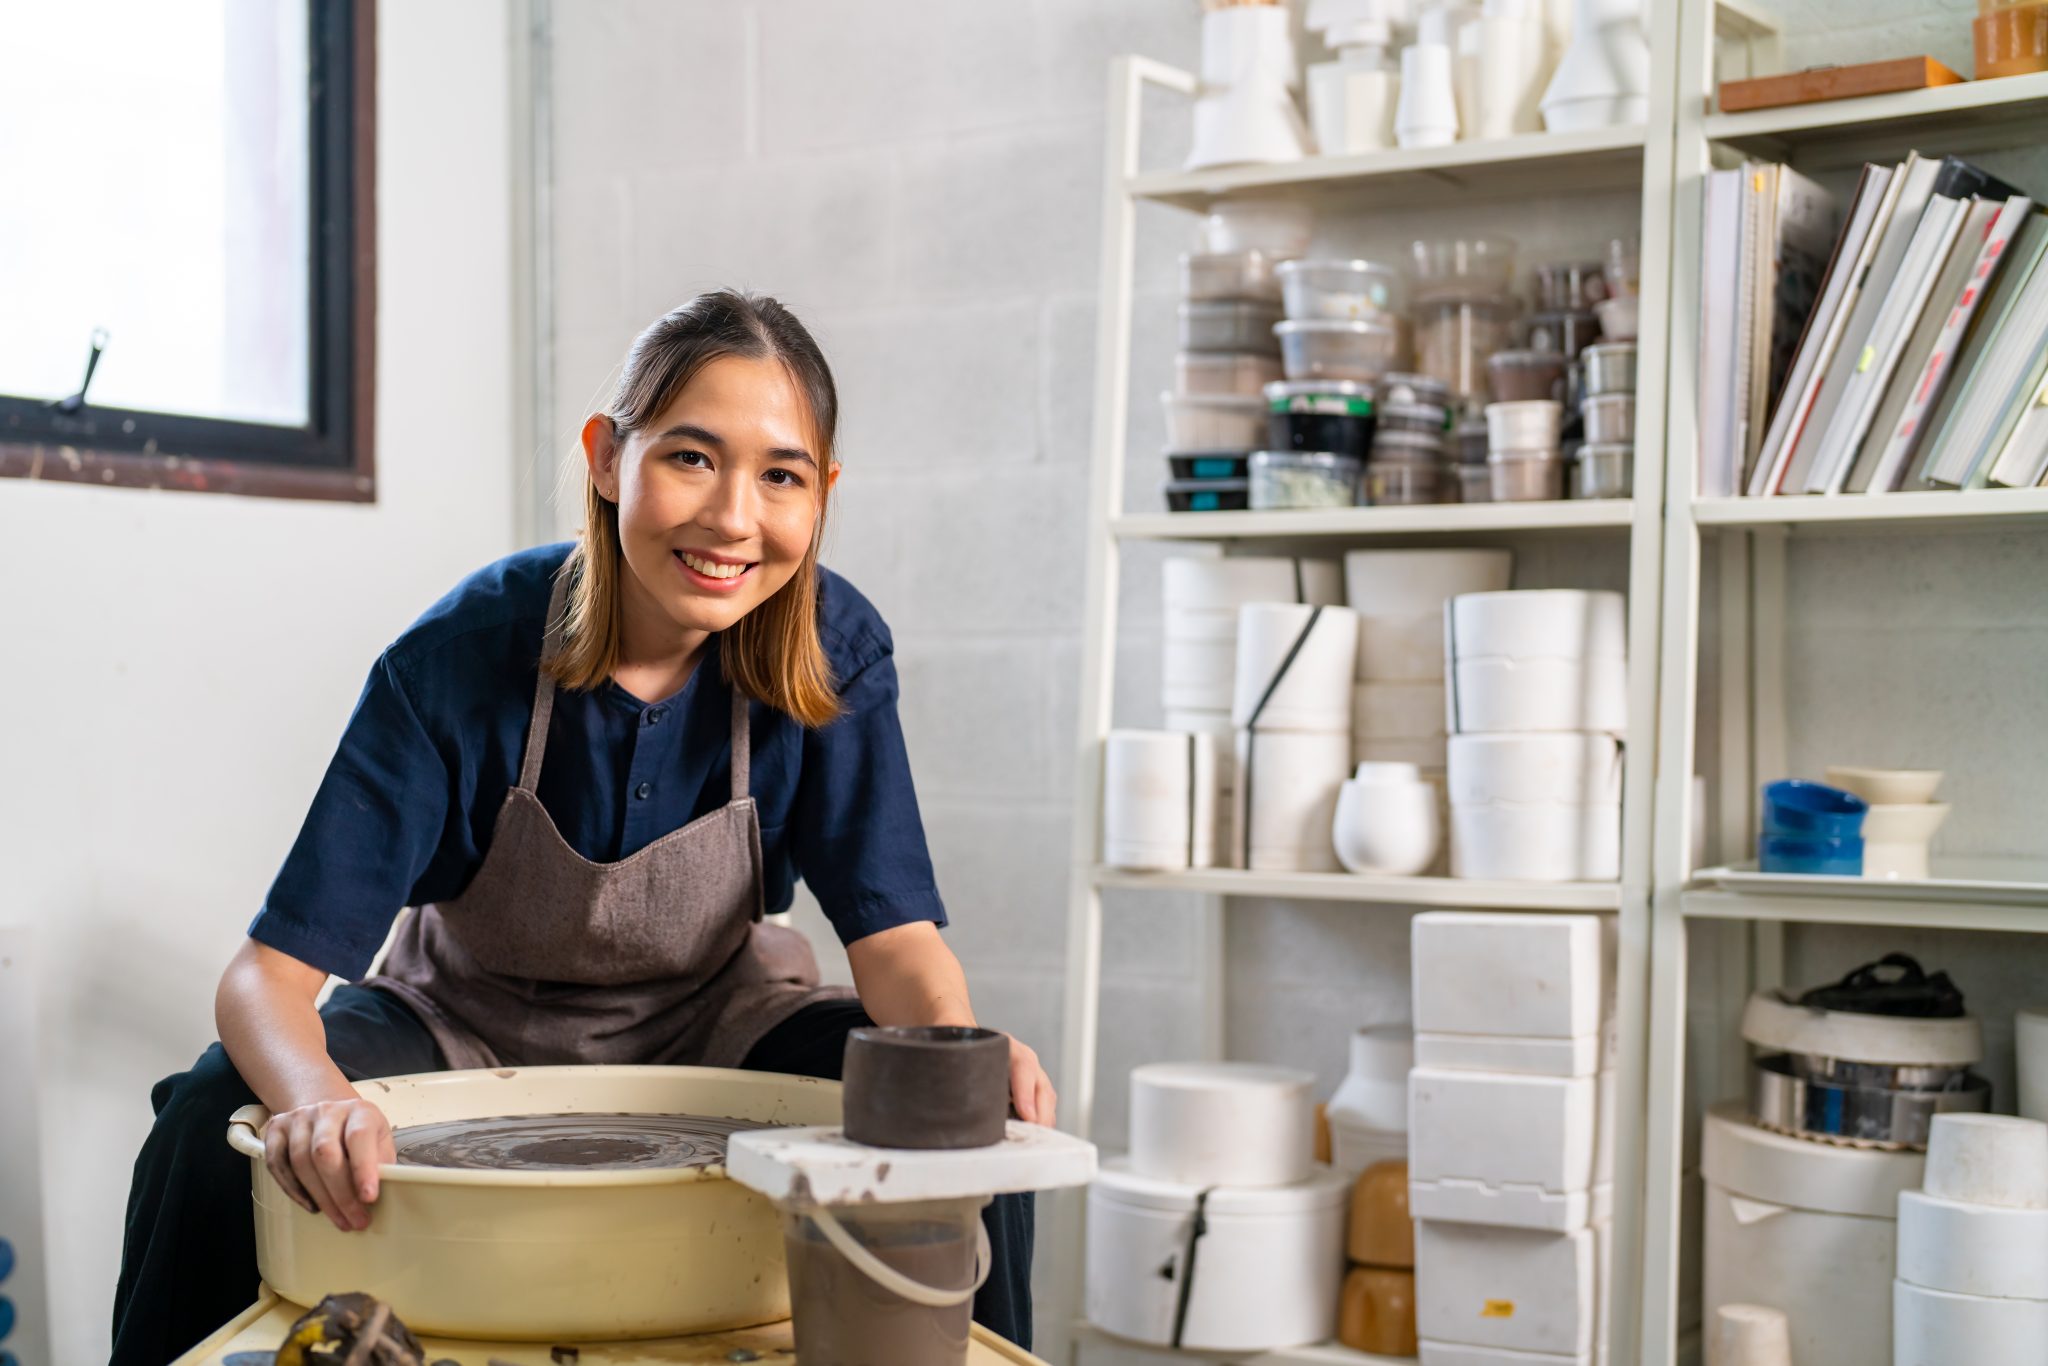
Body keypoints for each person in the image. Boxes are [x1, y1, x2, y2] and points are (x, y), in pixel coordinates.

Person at [111, 290, 1053, 1364]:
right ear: (608, 457)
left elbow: (896, 942)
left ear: (821, 494)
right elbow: (262, 981)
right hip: (455, 1021)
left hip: (718, 1019)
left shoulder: (832, 647)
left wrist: (950, 1062)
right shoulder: (460, 655)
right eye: (691, 458)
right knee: (205, 1115)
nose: (733, 518)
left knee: (979, 1131)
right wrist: (318, 1102)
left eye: (779, 475)